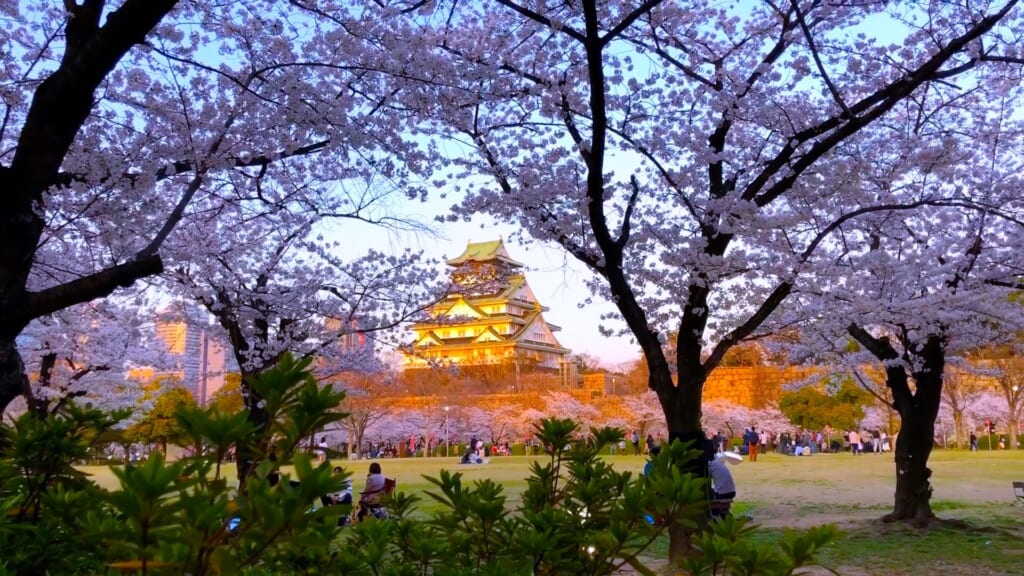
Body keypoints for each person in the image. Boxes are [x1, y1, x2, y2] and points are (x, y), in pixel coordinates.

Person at [708, 453, 737, 518]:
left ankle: (717, 516)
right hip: (732, 491)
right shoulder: (718, 463)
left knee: (709, 500)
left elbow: (707, 482)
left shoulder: (709, 464)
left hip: (723, 493)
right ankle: (723, 515)